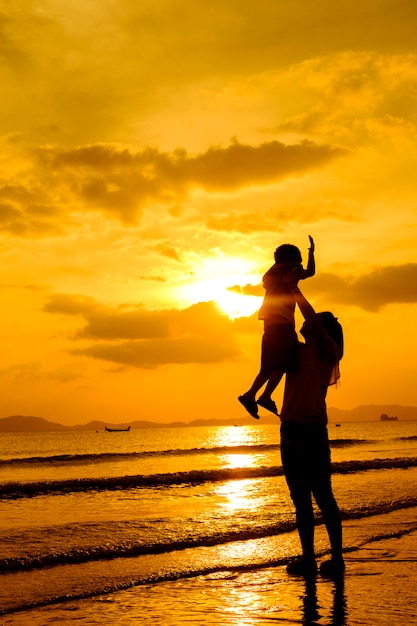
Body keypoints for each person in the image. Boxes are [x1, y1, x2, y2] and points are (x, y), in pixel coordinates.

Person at [279, 274, 344, 579]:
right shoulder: (302, 350)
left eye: (315, 321)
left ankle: (336, 558)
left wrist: (295, 289)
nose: (308, 322)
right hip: (291, 427)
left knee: (322, 495)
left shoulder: (326, 351)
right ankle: (308, 558)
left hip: (310, 429)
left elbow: (311, 322)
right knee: (301, 498)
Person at [238, 236, 315, 419]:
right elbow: (310, 272)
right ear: (294, 260)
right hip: (283, 323)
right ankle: (264, 396)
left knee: (268, 366)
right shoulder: (291, 270)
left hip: (269, 324)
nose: (301, 263)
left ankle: (251, 395)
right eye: (300, 260)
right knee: (286, 362)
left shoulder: (270, 273)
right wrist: (312, 253)